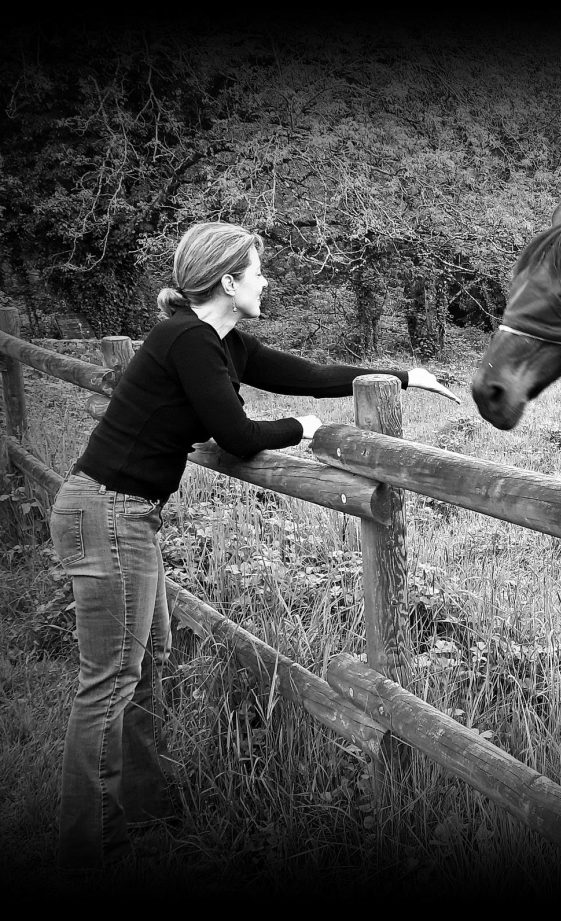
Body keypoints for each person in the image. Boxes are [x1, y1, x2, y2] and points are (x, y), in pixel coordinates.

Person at [48, 221, 459, 869]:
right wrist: (302, 427)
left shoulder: (223, 344)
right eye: (257, 270)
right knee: (110, 682)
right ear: (228, 280)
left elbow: (316, 373)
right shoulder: (186, 339)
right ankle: (88, 846)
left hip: (125, 512)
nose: (266, 280)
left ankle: (147, 815)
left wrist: (406, 374)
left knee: (150, 659)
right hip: (106, 510)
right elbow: (235, 433)